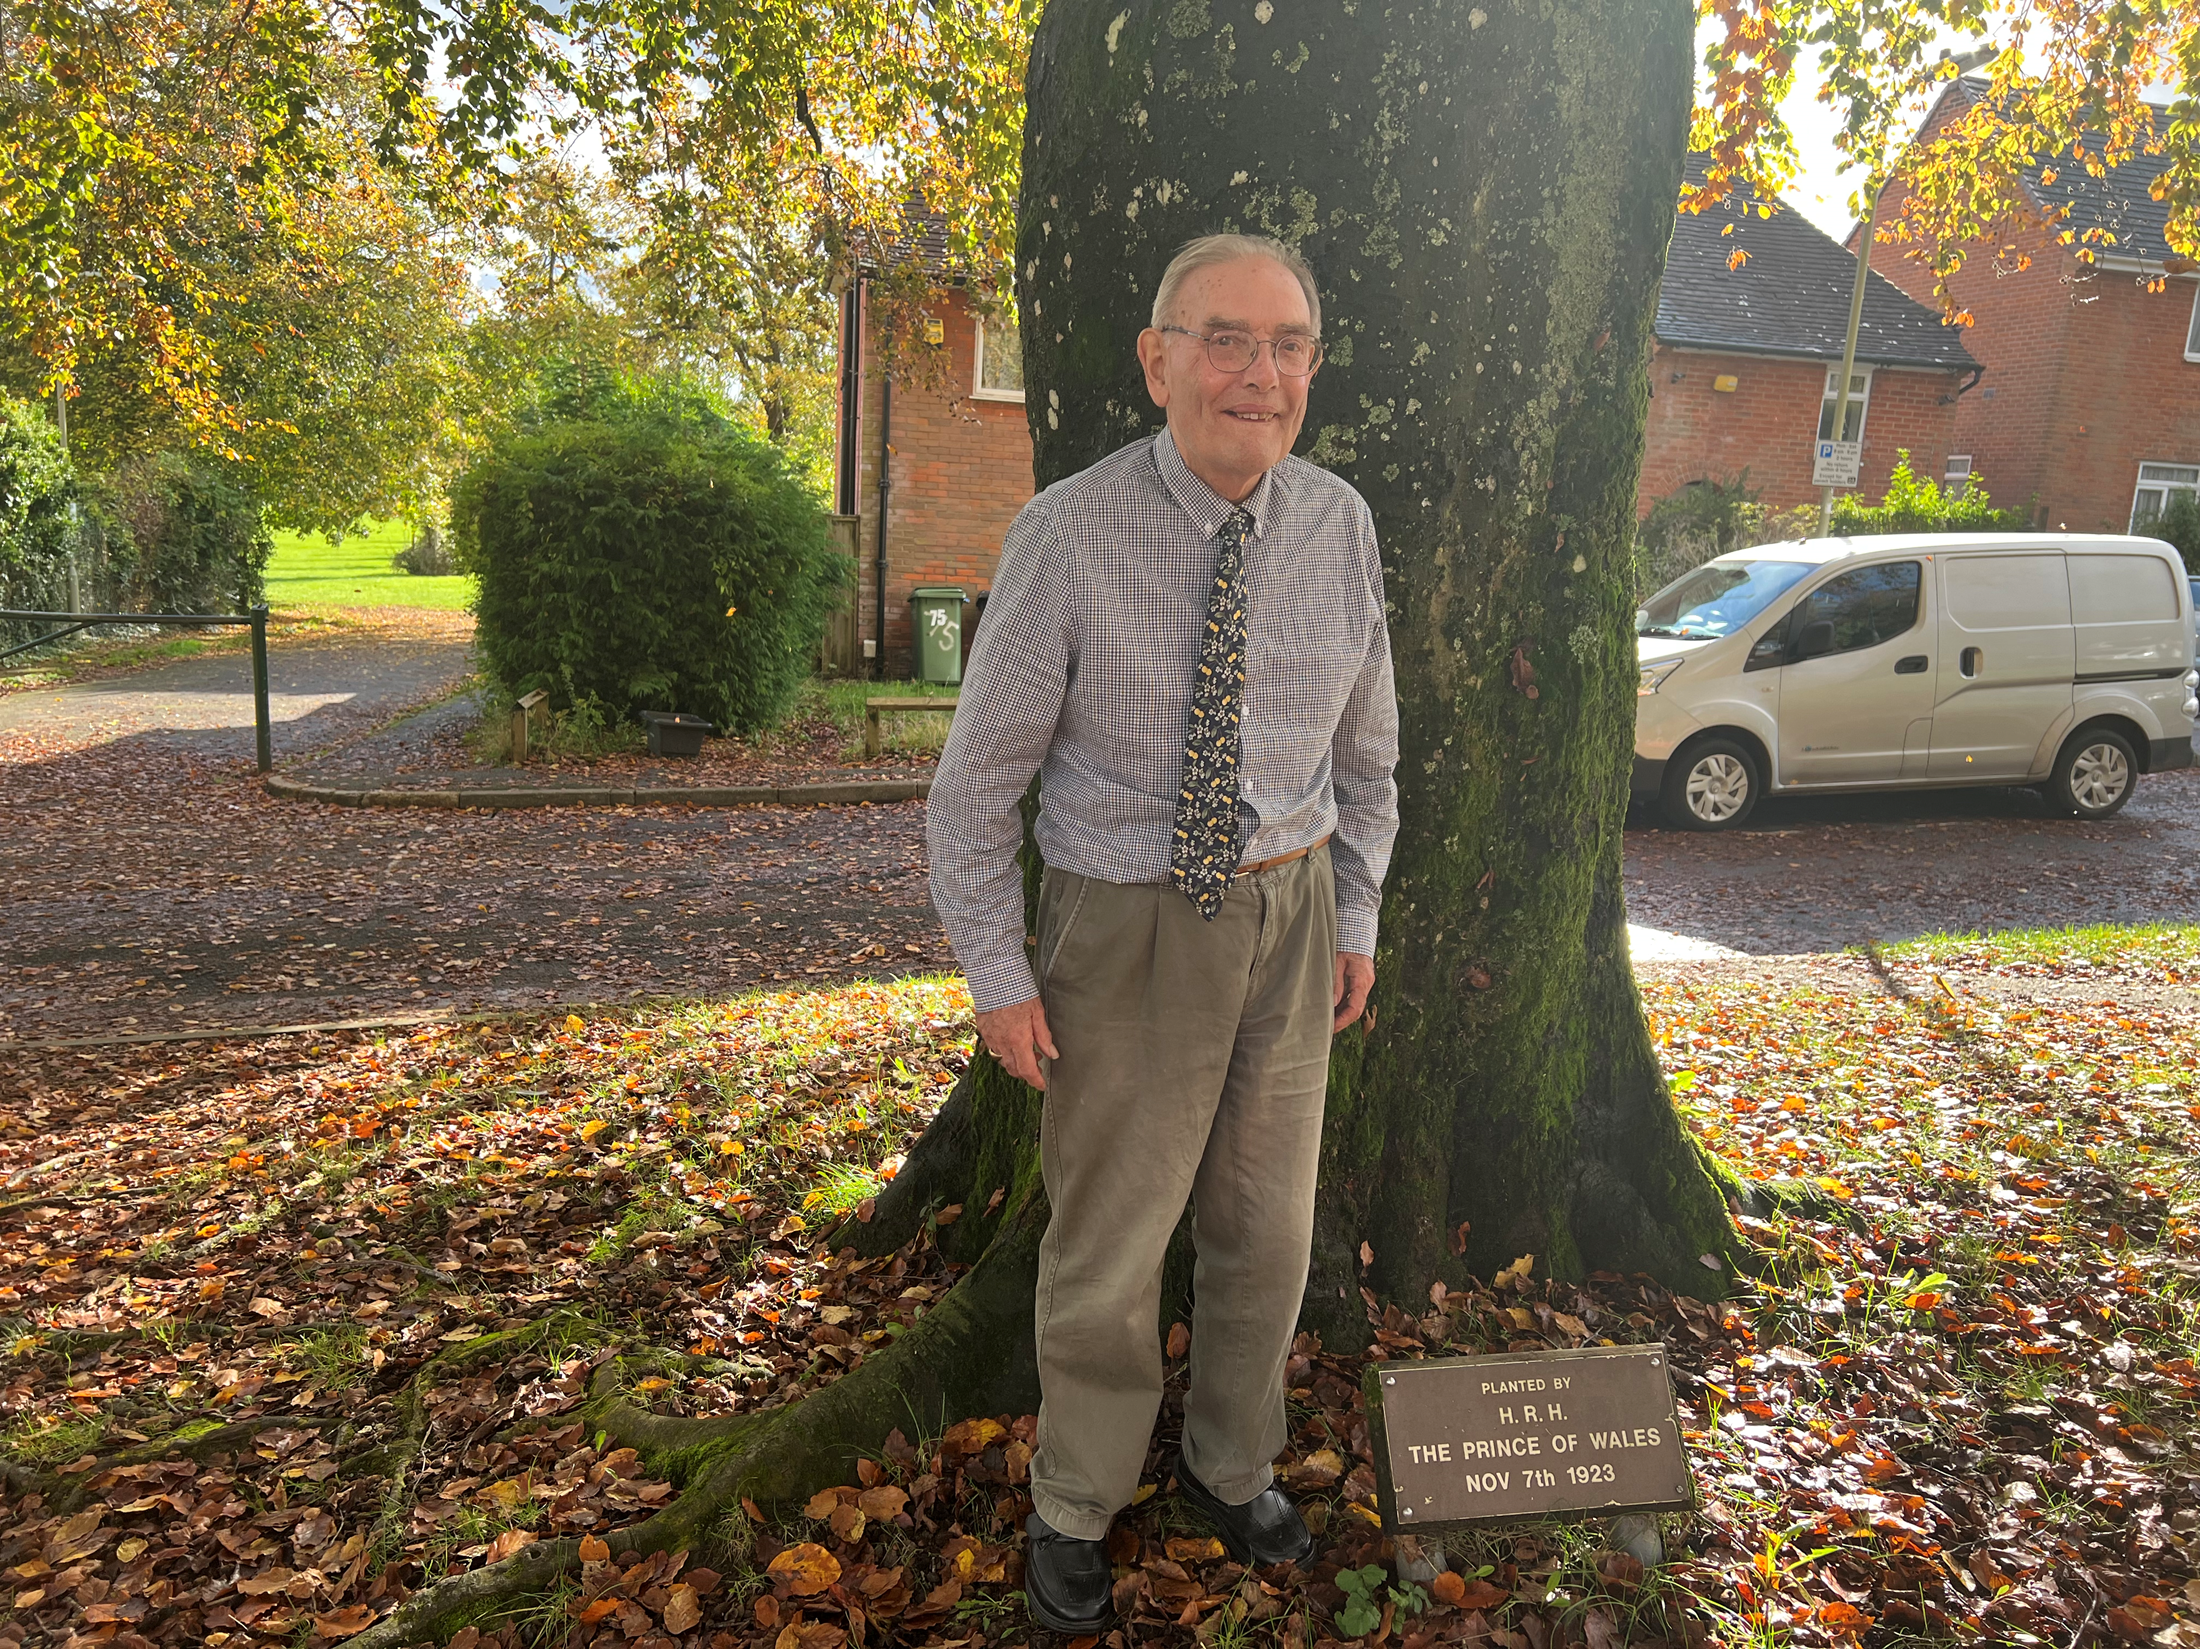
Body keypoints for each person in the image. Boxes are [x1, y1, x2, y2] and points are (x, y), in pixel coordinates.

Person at [926, 232, 1401, 1634]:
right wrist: (997, 977)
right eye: (1226, 338)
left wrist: (1355, 911)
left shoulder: (1339, 522)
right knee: (1111, 1245)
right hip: (1121, 928)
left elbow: (1370, 756)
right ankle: (1077, 1503)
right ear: (1158, 359)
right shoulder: (1067, 533)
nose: (1260, 373)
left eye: (1290, 344)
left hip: (1295, 910)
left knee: (1269, 1229)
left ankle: (1228, 1468)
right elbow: (975, 790)